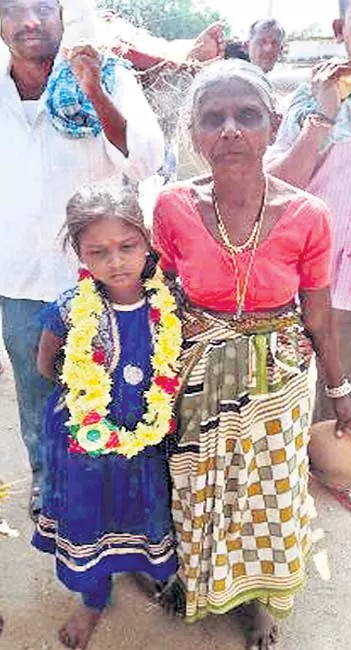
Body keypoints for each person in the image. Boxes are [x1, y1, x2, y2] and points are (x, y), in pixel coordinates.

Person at [153, 59, 351, 649]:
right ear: (193, 134)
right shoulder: (170, 206)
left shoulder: (307, 214)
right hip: (195, 368)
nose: (230, 130)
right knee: (195, 486)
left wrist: (339, 395)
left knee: (268, 493)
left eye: (246, 115)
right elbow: (162, 295)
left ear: (273, 124)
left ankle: (260, 603)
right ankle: (194, 576)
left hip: (280, 376)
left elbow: (318, 314)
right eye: (212, 118)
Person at [0, 0, 164, 521]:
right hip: (19, 280)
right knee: (38, 397)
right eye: (13, 9)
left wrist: (92, 87)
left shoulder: (105, 71)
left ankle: (121, 502)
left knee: (121, 395)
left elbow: (146, 158)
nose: (30, 20)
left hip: (103, 279)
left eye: (44, 6)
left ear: (64, 14)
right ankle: (52, 489)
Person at [32, 175, 180, 650]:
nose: (115, 261)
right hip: (84, 442)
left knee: (142, 506)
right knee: (89, 515)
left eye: (127, 246)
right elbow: (44, 362)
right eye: (98, 251)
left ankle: (142, 568)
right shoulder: (72, 307)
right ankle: (93, 597)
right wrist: (89, 398)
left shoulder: (169, 302)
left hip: (147, 437)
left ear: (147, 243)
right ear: (80, 254)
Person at [265, 0, 351, 516]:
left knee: (345, 383)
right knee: (274, 379)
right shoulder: (316, 94)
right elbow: (280, 182)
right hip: (296, 279)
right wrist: (323, 115)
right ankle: (272, 472)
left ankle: (328, 466)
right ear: (341, 29)